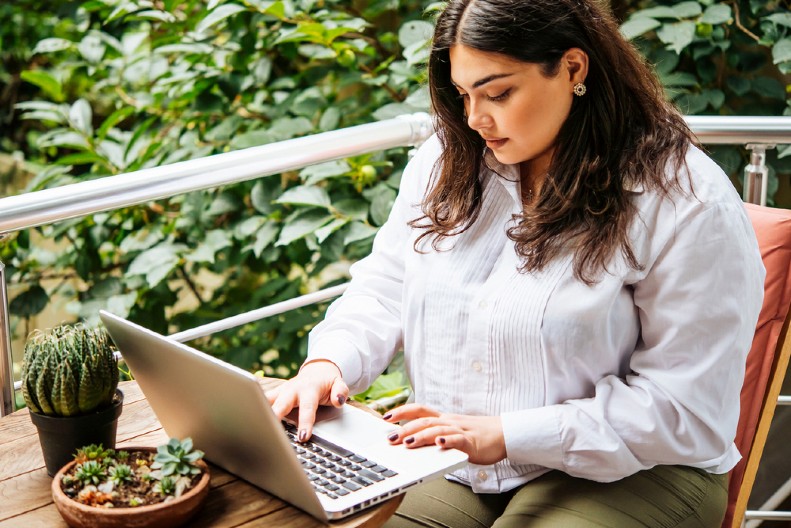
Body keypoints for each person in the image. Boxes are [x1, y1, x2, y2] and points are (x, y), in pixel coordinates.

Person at [266, 0, 766, 526]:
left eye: (498, 93)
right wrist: (330, 361)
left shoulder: (685, 200)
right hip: (463, 459)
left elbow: (684, 409)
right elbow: (388, 283)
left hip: (641, 470)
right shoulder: (449, 158)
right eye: (463, 94)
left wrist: (507, 434)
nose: (475, 118)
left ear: (573, 68)